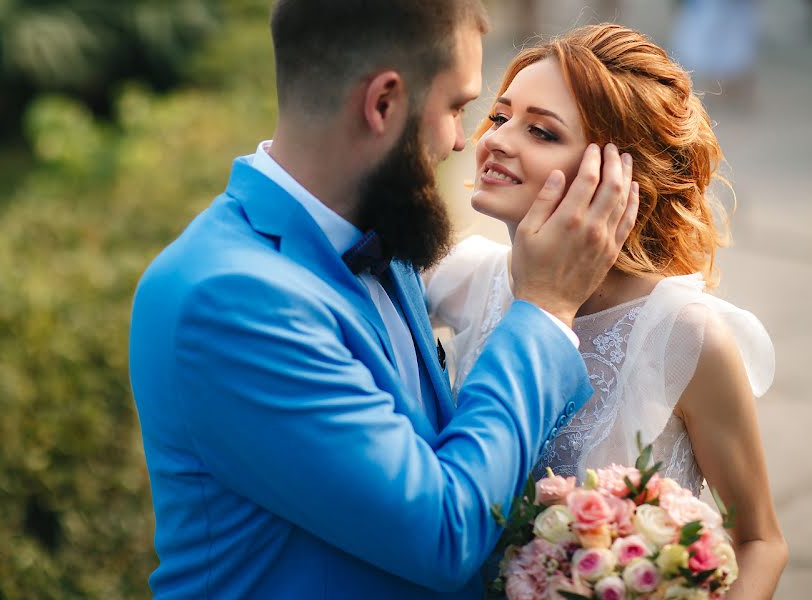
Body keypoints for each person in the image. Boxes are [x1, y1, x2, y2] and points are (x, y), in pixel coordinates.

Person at [128, 1, 640, 598]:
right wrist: (547, 309)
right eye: (456, 107)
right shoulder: (228, 300)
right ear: (383, 103)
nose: (460, 142)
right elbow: (444, 531)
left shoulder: (379, 230)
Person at [426, 23, 788, 598]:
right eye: (500, 117)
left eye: (541, 131)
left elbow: (761, 540)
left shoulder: (688, 337)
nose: (497, 139)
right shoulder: (461, 278)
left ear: (618, 175)